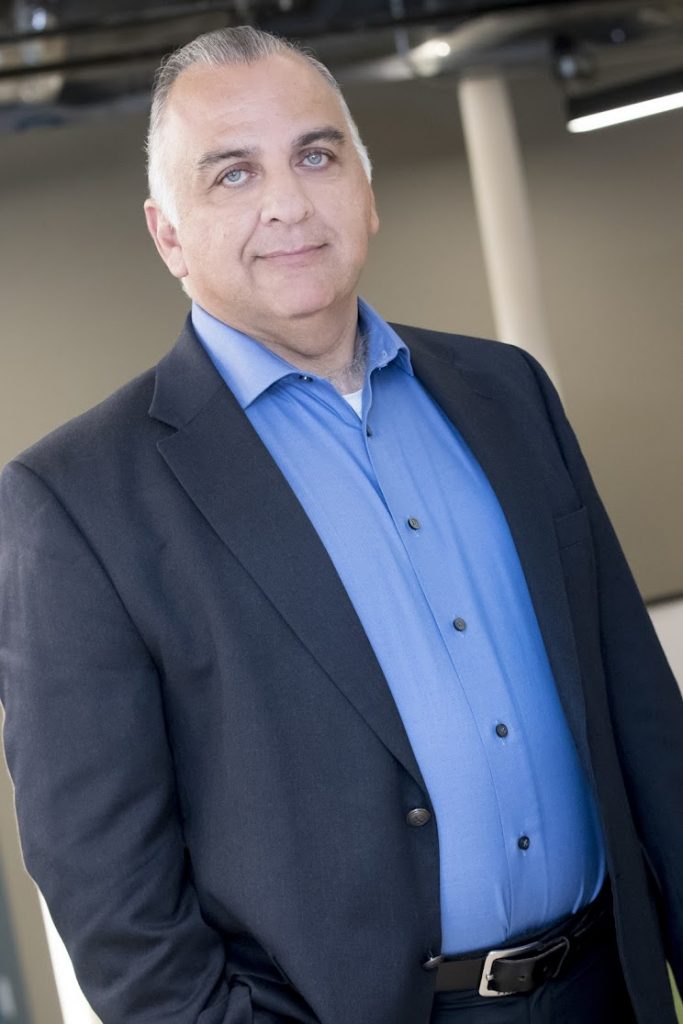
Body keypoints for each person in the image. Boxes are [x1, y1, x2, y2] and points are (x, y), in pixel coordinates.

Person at [0, 24, 681, 1024]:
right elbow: (114, 904)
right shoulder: (78, 501)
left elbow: (640, 722)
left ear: (365, 188)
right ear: (167, 233)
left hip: (603, 989)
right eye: (231, 174)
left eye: (315, 154)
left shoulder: (506, 394)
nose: (287, 201)